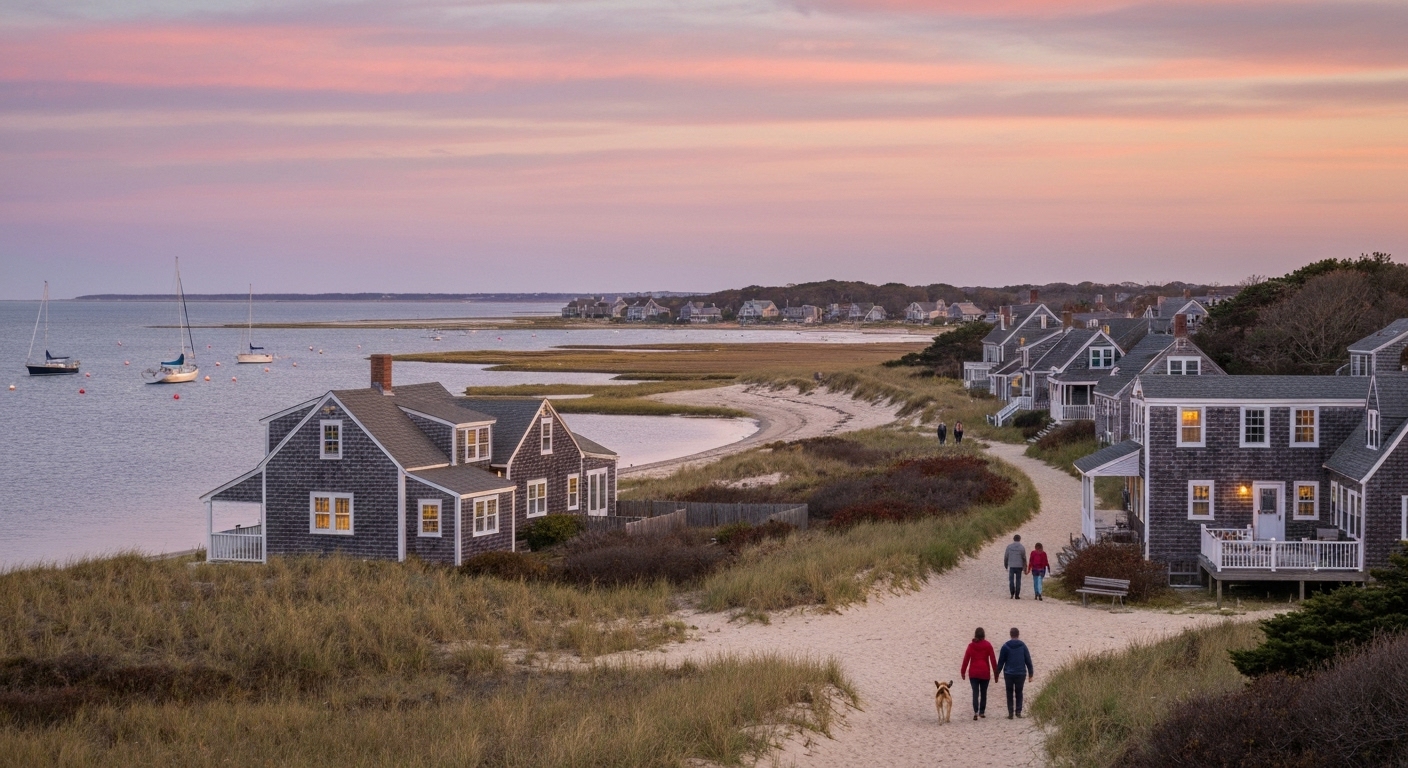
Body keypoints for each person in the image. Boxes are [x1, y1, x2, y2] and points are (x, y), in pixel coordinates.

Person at [960, 627, 998, 720]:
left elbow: (966, 659)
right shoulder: (988, 645)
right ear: (984, 635)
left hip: (973, 673)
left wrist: (963, 671)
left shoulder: (971, 646)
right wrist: (996, 673)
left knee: (975, 692)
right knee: (984, 693)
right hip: (985, 673)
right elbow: (993, 660)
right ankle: (982, 712)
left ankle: (975, 711)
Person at [996, 627, 1034, 719]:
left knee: (1009, 692)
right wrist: (1030, 674)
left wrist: (997, 673)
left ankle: (1010, 713)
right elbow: (1028, 660)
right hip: (1021, 673)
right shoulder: (1023, 646)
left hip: (1008, 673)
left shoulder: (1005, 646)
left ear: (1010, 634)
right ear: (1018, 634)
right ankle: (1018, 712)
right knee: (1019, 692)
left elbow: (1001, 661)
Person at [1004, 534, 1027, 599]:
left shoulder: (1009, 547)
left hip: (1011, 565)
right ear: (1020, 539)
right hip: (1019, 566)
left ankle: (1012, 592)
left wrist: (1006, 564)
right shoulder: (1022, 547)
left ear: (1013, 539)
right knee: (1018, 580)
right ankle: (1017, 595)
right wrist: (1025, 567)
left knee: (1011, 580)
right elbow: (1024, 558)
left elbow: (1006, 556)